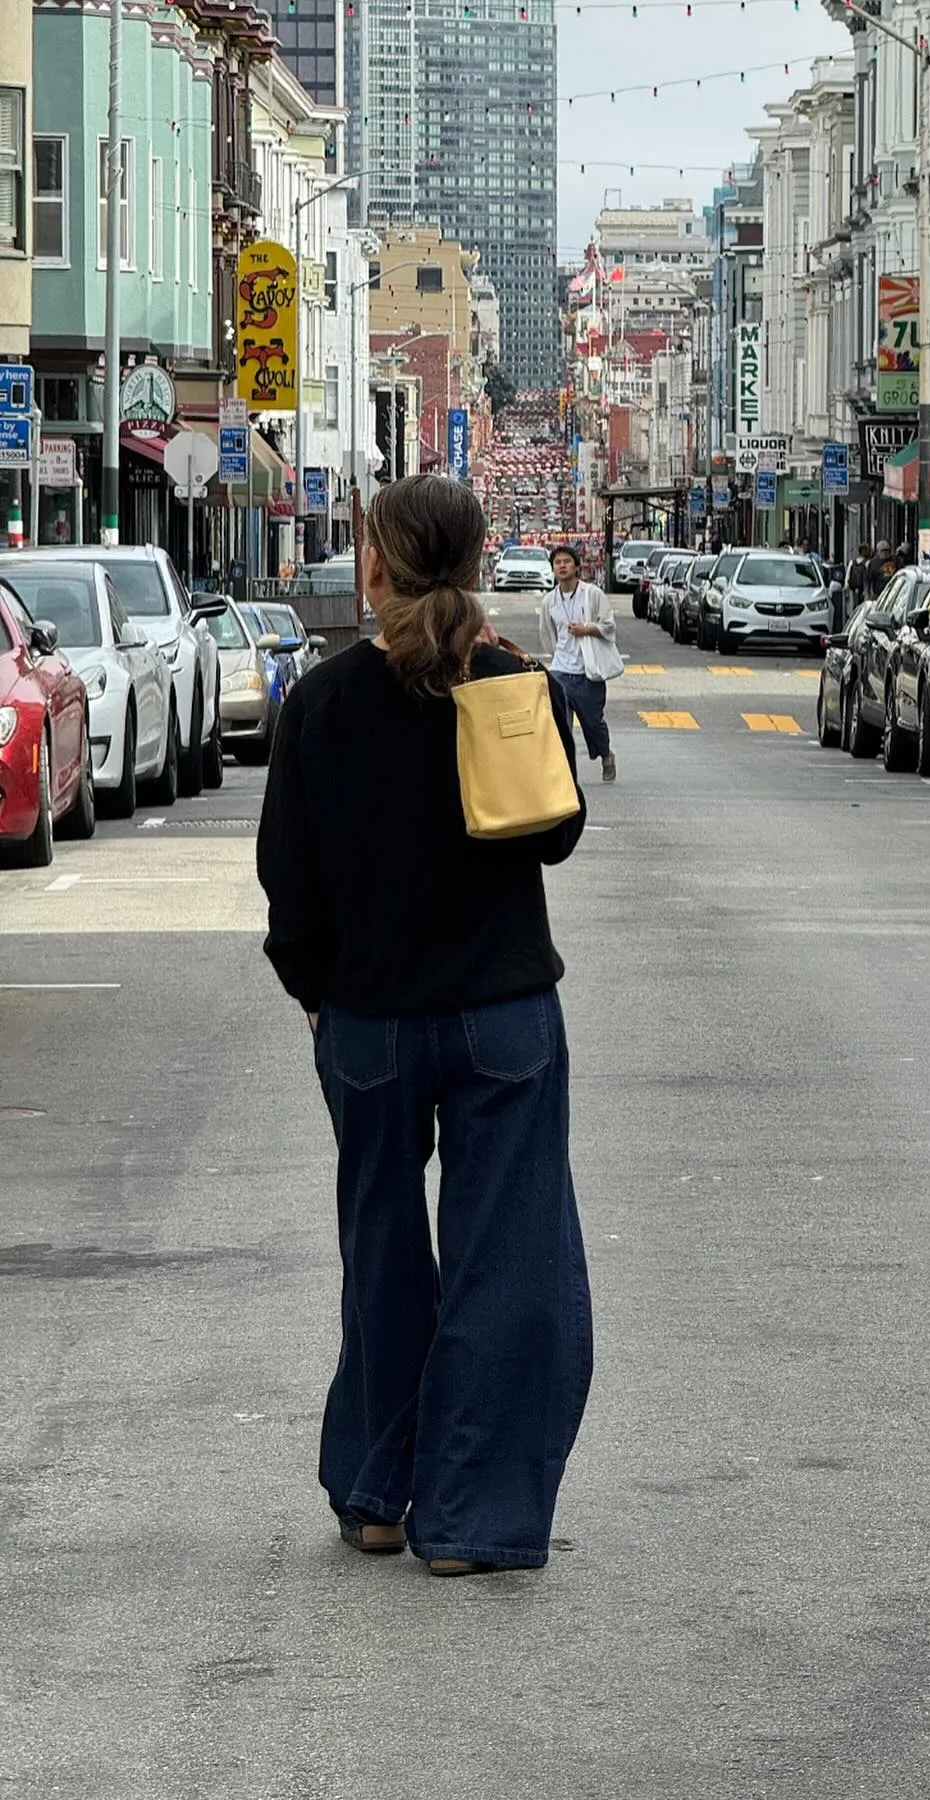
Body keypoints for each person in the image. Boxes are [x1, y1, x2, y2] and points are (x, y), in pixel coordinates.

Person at [256, 473, 592, 1578]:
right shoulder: (507, 685)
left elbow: (288, 885)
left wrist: (318, 996)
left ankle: (378, 1493)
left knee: (384, 1254)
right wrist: (501, 674)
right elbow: (554, 836)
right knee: (510, 1264)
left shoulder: (321, 704)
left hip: (370, 1025)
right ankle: (476, 1518)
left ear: (376, 568)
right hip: (503, 1015)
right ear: (476, 563)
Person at [539, 543, 618, 783]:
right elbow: (547, 633)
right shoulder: (549, 601)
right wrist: (556, 656)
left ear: (576, 566)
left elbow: (609, 625)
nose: (562, 566)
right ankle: (565, 772)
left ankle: (606, 755)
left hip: (588, 671)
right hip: (561, 671)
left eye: (566, 561)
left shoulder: (591, 594)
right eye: (557, 563)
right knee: (560, 724)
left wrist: (587, 629)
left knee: (593, 722)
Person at [846, 545, 871, 621]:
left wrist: (847, 588)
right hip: (863, 589)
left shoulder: (852, 562)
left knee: (855, 605)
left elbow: (848, 576)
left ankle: (854, 619)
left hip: (853, 589)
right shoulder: (867, 563)